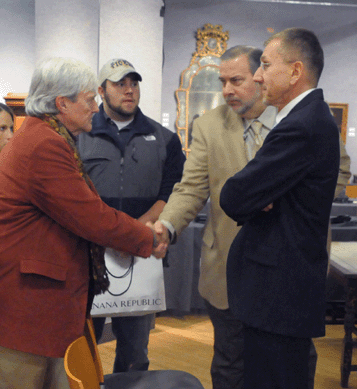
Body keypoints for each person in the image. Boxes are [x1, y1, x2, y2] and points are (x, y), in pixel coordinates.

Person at [154, 44, 350, 389]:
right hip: (229, 268)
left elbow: (337, 173)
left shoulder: (300, 119)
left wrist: (283, 194)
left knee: (292, 366)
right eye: (222, 81)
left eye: (237, 80)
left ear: (260, 77)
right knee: (230, 366)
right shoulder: (209, 126)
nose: (227, 90)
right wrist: (166, 226)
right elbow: (191, 187)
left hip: (289, 273)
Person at [0, 57, 167, 389]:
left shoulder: (45, 136)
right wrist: (148, 239)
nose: (95, 106)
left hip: (41, 305)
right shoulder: (44, 143)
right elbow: (90, 217)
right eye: (89, 98)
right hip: (31, 310)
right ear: (62, 103)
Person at [219, 28, 340, 389]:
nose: (258, 75)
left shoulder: (301, 126)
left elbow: (234, 196)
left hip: (278, 293)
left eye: (266, 65)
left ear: (295, 71)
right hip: (281, 291)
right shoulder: (307, 119)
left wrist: (257, 196)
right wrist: (262, 197)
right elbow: (251, 194)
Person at [77, 58, 185, 373]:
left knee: (135, 353)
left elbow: (172, 194)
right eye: (119, 83)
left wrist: (132, 234)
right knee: (83, 347)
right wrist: (113, 234)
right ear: (101, 90)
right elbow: (74, 198)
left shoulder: (165, 138)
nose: (129, 90)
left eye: (133, 83)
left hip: (142, 254)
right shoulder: (80, 135)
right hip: (89, 256)